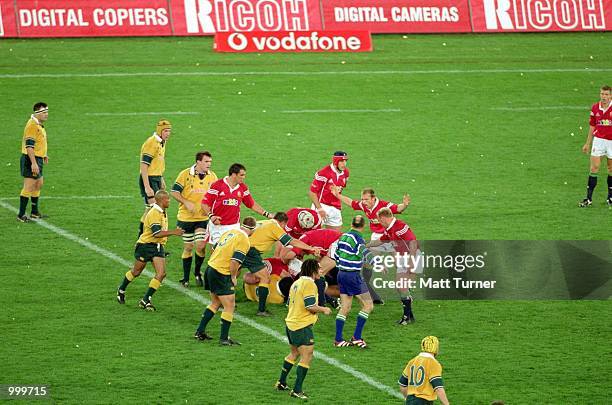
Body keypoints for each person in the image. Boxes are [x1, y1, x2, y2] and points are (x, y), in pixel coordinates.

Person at [332, 187, 411, 304]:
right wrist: (338, 195)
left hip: (389, 236)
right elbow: (351, 203)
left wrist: (404, 205)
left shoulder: (384, 206)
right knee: (368, 263)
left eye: (366, 199)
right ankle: (368, 290)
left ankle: (406, 288)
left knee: (398, 263)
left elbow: (398, 208)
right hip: (377, 238)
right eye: (362, 199)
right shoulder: (364, 206)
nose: (363, 202)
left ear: (373, 198)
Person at [242, 212, 321, 316]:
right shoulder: (275, 227)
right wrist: (310, 248)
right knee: (265, 278)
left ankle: (223, 299)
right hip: (251, 252)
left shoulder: (263, 222)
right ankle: (261, 310)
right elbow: (292, 241)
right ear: (283, 223)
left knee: (230, 273)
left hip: (239, 246)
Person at [116, 190, 184, 311]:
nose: (169, 201)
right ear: (161, 201)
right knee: (136, 272)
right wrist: (174, 232)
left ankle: (146, 299)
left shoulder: (162, 211)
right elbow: (156, 233)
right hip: (145, 246)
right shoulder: (154, 213)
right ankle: (121, 289)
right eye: (167, 199)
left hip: (157, 247)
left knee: (161, 273)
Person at [274, 259, 332, 400]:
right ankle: (297, 390)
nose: (321, 270)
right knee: (307, 355)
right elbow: (310, 306)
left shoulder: (297, 282)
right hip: (301, 326)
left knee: (294, 353)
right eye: (319, 268)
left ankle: (281, 383)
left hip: (291, 323)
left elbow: (289, 303)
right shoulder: (309, 284)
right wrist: (324, 309)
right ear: (312, 270)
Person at [194, 217, 257, 345]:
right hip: (221, 272)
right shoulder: (244, 240)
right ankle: (224, 338)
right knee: (230, 306)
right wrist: (233, 277)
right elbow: (234, 261)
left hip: (211, 268)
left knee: (215, 303)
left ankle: (200, 331)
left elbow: (214, 248)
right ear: (253, 230)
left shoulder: (230, 232)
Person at [171, 151, 217, 287]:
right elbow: (174, 192)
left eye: (210, 162)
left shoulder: (212, 176)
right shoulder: (185, 174)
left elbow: (217, 195)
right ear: (198, 162)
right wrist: (185, 202)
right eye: (206, 162)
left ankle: (197, 272)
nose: (209, 164)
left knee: (201, 246)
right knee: (188, 247)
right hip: (186, 218)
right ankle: (185, 278)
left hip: (202, 218)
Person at [201, 163, 273, 246]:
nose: (243, 177)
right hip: (218, 226)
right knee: (216, 253)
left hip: (234, 226)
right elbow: (204, 203)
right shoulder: (218, 185)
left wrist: (267, 214)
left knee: (231, 253)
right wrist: (211, 216)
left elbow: (251, 204)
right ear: (234, 174)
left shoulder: (243, 188)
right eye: (241, 175)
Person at [371, 207, 420, 325]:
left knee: (401, 287)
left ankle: (407, 317)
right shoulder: (390, 228)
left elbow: (413, 242)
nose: (380, 223)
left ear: (383, 218)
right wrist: (366, 245)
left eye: (379, 220)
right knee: (401, 287)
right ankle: (409, 316)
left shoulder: (399, 227)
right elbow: (381, 240)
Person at [333, 215, 376, 348]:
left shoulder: (343, 236)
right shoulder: (358, 238)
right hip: (353, 276)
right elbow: (365, 253)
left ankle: (338, 339)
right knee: (368, 305)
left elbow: (336, 254)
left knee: (345, 307)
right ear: (364, 226)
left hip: (341, 274)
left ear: (351, 224)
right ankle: (357, 337)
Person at [282, 228, 343, 308]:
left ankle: (324, 302)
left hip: (338, 243)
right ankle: (332, 297)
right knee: (318, 271)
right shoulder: (307, 243)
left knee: (317, 273)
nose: (301, 258)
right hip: (338, 242)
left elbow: (290, 255)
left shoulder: (301, 242)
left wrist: (285, 261)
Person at [580, 85, 612, 207]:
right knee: (594, 168)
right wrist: (587, 143)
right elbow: (592, 126)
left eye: (606, 94)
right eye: (602, 94)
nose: (603, 97)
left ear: (610, 96)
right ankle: (588, 198)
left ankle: (610, 197)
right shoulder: (595, 108)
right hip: (598, 141)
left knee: (611, 169)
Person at [139, 119, 172, 235]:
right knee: (154, 210)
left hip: (156, 178)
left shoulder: (162, 142)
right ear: (160, 131)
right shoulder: (151, 143)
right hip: (149, 179)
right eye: (166, 131)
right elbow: (143, 165)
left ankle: (143, 239)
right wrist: (147, 187)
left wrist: (161, 178)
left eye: (169, 131)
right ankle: (144, 239)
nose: (168, 133)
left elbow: (157, 162)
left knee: (151, 210)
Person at [18, 102, 49, 222]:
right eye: (44, 112)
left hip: (38, 158)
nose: (46, 115)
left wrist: (44, 154)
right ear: (37, 113)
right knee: (29, 186)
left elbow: (39, 142)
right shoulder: (32, 126)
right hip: (31, 159)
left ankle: (34, 212)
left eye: (47, 112)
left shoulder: (38, 124)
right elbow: (29, 146)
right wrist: (34, 163)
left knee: (38, 184)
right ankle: (20, 215)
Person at [398, 336, 450, 405]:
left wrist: (407, 399)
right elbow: (438, 388)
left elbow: (402, 385)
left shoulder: (412, 361)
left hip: (410, 401)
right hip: (424, 402)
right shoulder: (433, 363)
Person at [308, 151, 349, 230]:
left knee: (335, 236)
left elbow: (340, 188)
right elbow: (312, 192)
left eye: (345, 161)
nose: (344, 163)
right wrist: (319, 209)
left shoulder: (346, 173)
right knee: (313, 235)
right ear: (336, 161)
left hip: (335, 208)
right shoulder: (324, 173)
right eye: (341, 161)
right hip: (322, 206)